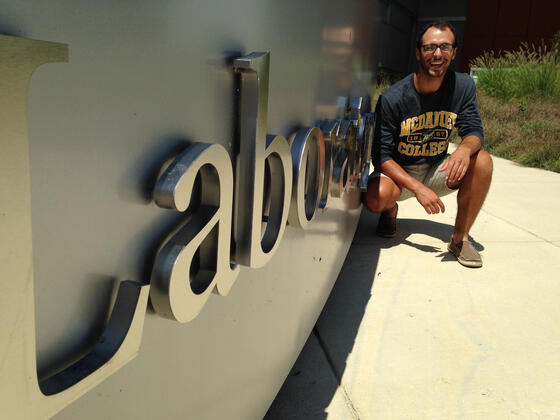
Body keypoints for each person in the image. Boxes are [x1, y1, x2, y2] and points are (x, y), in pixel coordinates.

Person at [363, 21, 493, 268]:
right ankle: (389, 212)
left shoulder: (463, 86)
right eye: (430, 47)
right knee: (375, 198)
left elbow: (474, 131)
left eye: (444, 47)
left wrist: (465, 150)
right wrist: (417, 189)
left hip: (436, 169)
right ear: (418, 52)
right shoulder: (393, 98)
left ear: (454, 52)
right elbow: (380, 156)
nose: (437, 54)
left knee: (483, 160)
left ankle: (459, 239)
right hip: (400, 174)